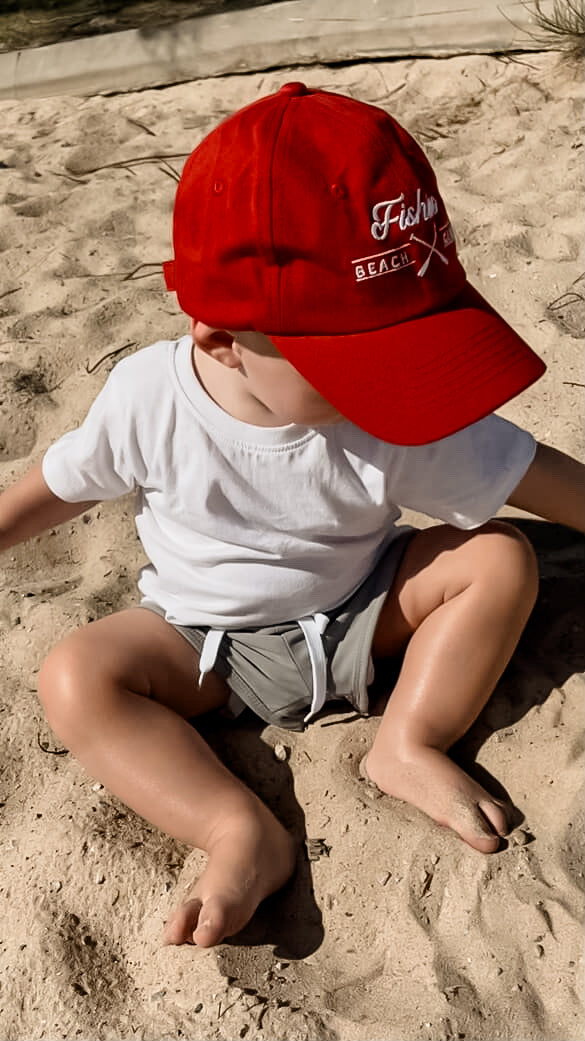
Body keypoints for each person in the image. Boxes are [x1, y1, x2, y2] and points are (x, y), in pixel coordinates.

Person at [0, 83, 583, 950]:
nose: (398, 378)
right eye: (364, 356)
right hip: (201, 642)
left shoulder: (389, 408)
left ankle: (408, 740)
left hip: (361, 610)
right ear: (221, 338)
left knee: (497, 558)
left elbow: (528, 474)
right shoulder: (146, 398)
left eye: (408, 340)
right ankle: (237, 829)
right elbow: (67, 480)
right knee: (75, 676)